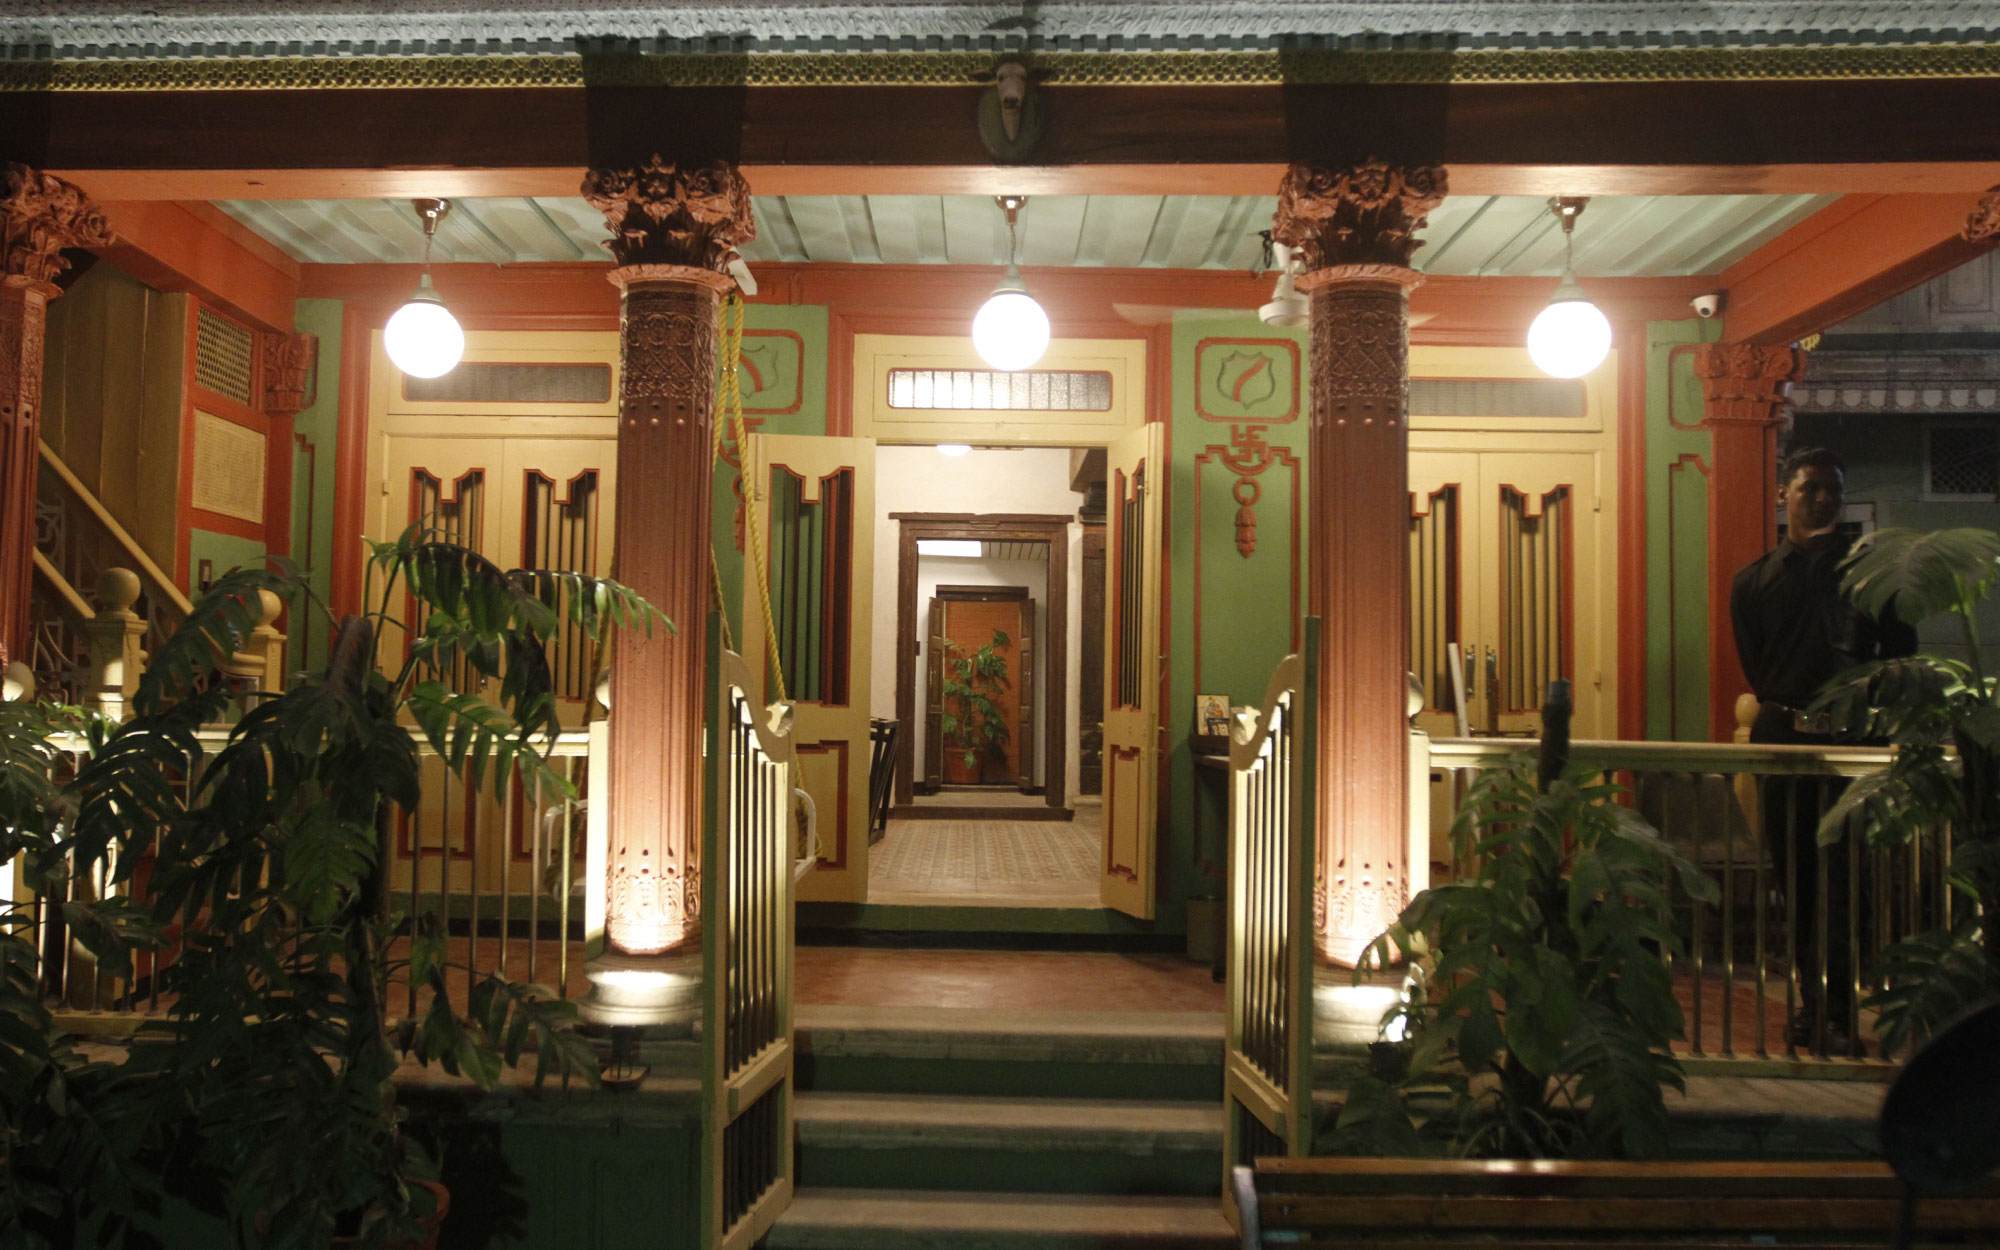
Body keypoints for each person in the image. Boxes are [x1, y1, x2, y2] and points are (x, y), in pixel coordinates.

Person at [1730, 447, 1916, 1054]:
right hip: (1784, 740)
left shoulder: (1871, 578)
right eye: (1810, 488)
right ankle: (1810, 1008)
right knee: (1796, 879)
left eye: (1834, 489)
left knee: (1843, 884)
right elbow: (1761, 669)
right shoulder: (1754, 581)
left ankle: (1838, 1012)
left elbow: (1898, 661)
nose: (1823, 499)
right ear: (1785, 495)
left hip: (1850, 742)